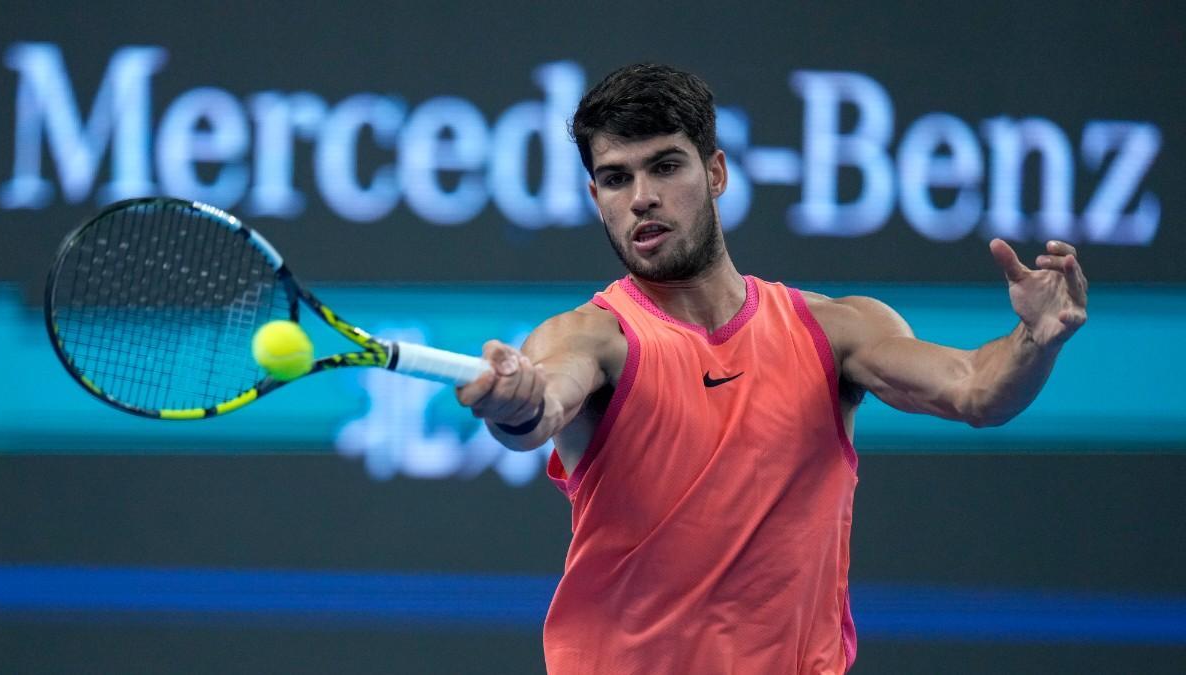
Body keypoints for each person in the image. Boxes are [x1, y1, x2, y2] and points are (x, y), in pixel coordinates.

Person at [456, 63, 1088, 674]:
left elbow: (977, 390)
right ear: (597, 198)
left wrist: (1034, 340)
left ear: (716, 173)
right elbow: (541, 406)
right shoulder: (592, 337)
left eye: (665, 166)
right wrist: (515, 401)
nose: (642, 197)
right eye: (617, 179)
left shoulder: (835, 329)